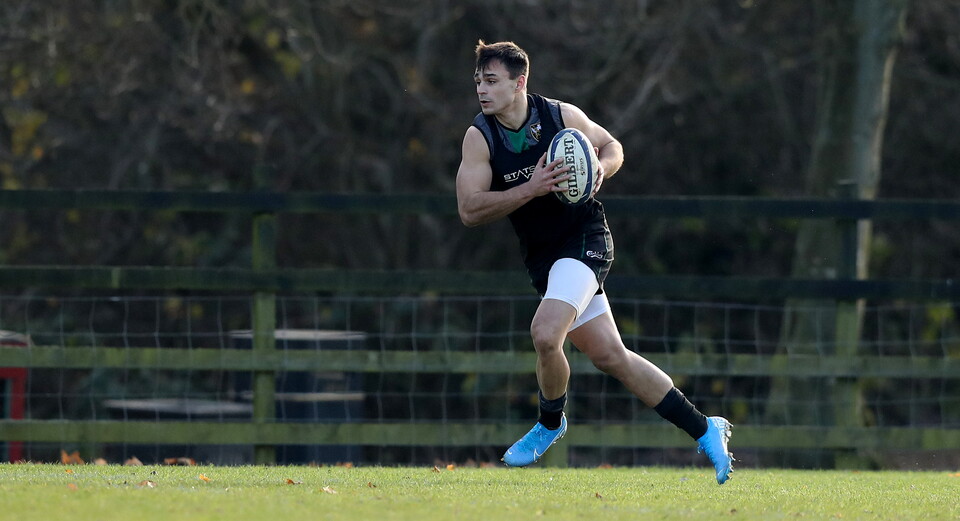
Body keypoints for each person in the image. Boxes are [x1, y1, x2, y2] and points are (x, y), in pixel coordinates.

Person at [455, 40, 734, 484]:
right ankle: (704, 427)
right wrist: (531, 187)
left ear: (519, 82)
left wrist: (603, 166)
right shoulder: (480, 137)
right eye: (478, 81)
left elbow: (612, 146)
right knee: (611, 356)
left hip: (586, 240)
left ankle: (550, 423)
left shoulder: (560, 117)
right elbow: (469, 209)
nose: (481, 90)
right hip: (543, 257)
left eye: (491, 81)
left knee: (545, 332)